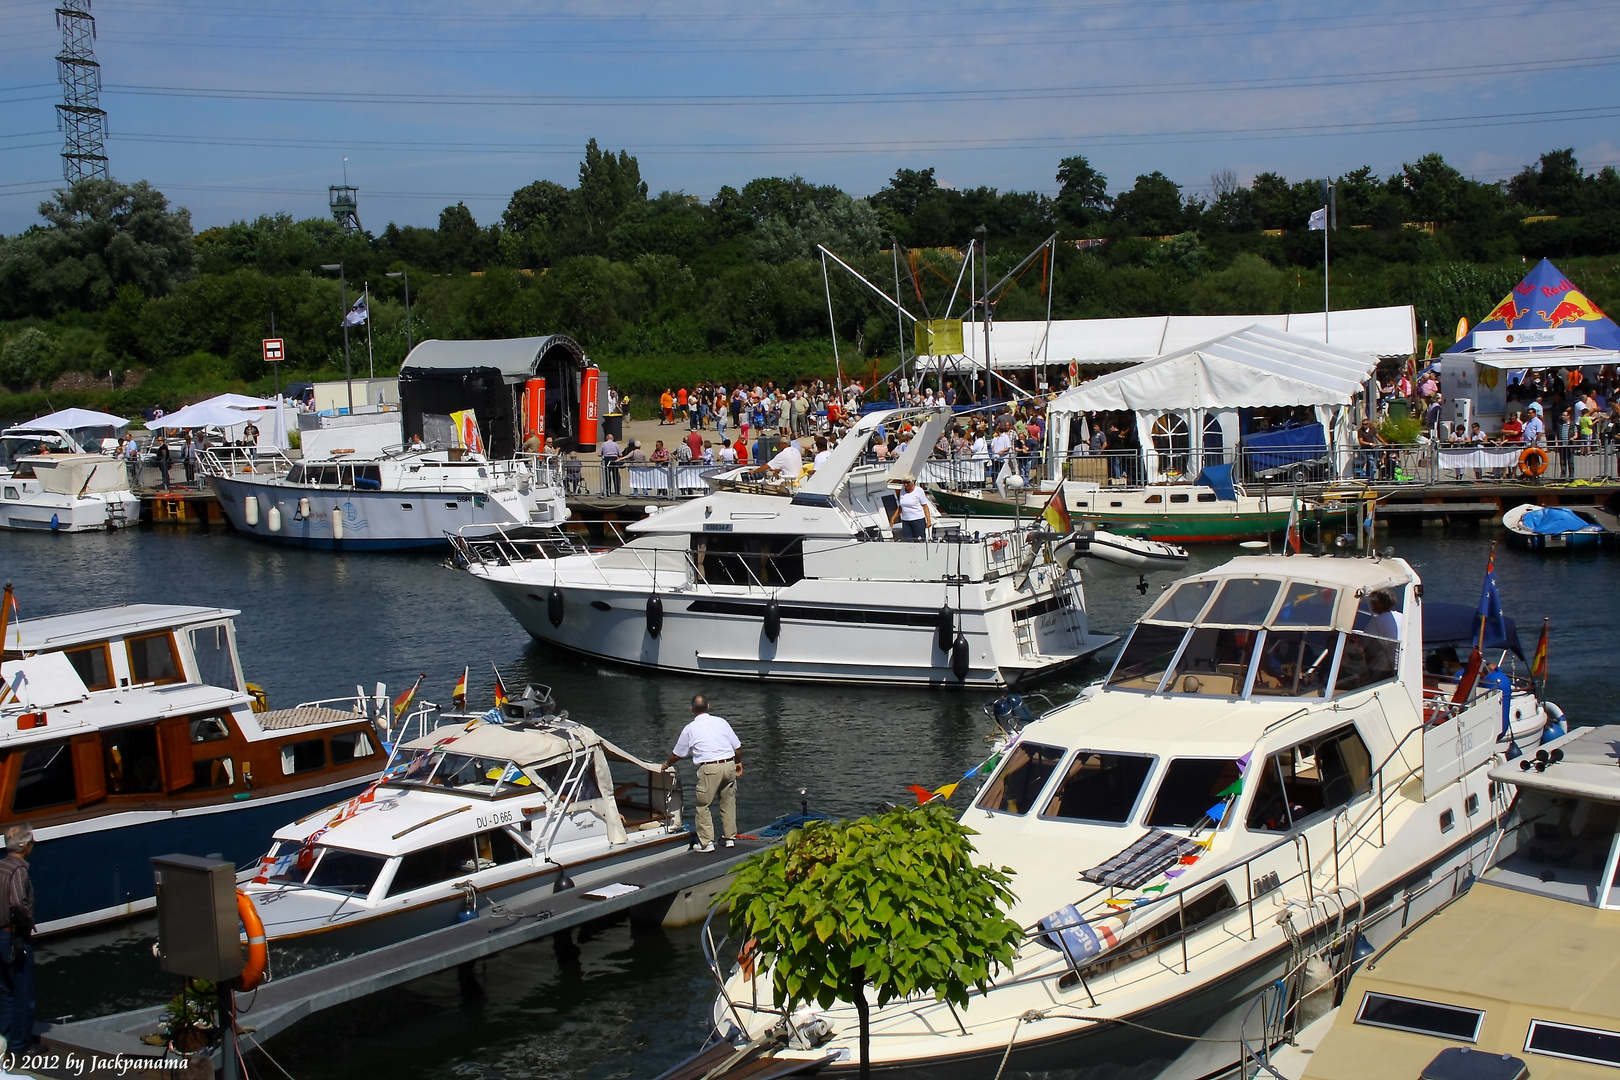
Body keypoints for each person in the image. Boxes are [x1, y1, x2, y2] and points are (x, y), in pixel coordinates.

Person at [662, 695, 741, 852]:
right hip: (728, 764)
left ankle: (706, 843)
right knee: (728, 802)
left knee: (703, 805)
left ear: (692, 710)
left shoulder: (690, 728)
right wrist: (738, 763)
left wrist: (667, 764)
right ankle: (729, 838)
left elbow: (677, 754)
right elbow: (737, 747)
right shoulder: (721, 722)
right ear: (708, 707)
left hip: (709, 768)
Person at [0, 824, 36, 1054]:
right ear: (23, 845)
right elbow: (16, 902)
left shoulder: (1, 865)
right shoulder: (18, 870)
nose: (33, 845)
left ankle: (4, 1037)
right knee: (23, 990)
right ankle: (20, 1045)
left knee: (5, 990)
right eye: (32, 841)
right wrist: (27, 920)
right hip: (13, 936)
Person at [889, 476, 932, 540]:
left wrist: (928, 520)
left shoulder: (919, 490)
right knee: (908, 541)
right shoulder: (902, 491)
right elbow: (900, 507)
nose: (905, 484)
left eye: (907, 482)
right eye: (904, 482)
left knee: (919, 541)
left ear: (912, 482)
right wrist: (893, 519)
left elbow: (925, 506)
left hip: (918, 520)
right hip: (906, 521)